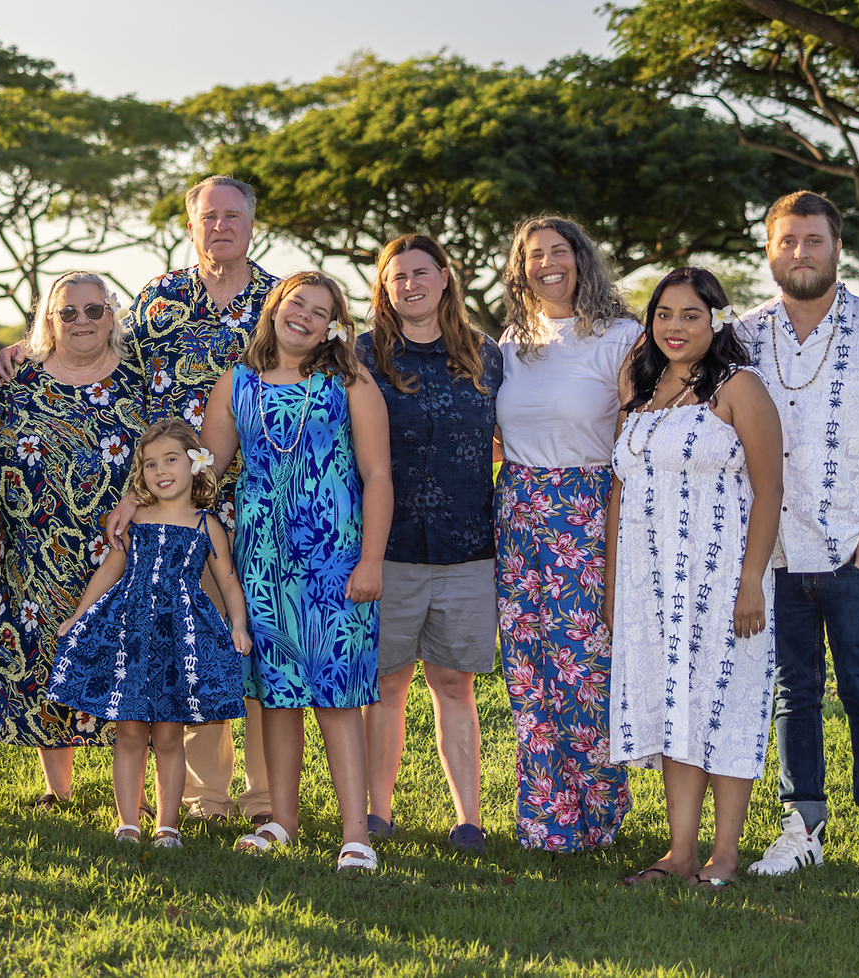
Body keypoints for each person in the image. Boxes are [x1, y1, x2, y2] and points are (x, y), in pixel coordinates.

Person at [40, 174, 278, 822]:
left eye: (233, 215)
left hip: (257, 500)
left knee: (242, 638)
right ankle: (206, 798)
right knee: (182, 641)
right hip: (170, 505)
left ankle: (261, 797)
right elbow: (117, 378)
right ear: (190, 223)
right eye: (209, 216)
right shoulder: (159, 297)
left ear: (253, 224)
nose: (221, 226)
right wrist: (25, 355)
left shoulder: (275, 301)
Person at [737, 189, 859, 893]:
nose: (800, 252)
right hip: (775, 550)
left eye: (813, 240)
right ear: (769, 249)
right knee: (793, 691)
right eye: (787, 240)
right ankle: (803, 828)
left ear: (836, 247)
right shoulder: (742, 335)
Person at [199, 271, 392, 871]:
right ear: (275, 307)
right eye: (295, 304)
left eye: (320, 311)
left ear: (334, 325)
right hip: (260, 563)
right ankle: (282, 821)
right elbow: (206, 469)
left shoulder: (350, 383)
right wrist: (144, 496)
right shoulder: (238, 383)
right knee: (276, 696)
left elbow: (378, 477)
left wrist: (371, 560)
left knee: (337, 695)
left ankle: (355, 834)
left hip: (335, 559)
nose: (304, 316)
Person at [606, 267, 784, 889]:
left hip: (722, 577)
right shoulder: (643, 391)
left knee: (725, 706)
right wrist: (613, 590)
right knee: (672, 711)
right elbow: (620, 492)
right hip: (650, 584)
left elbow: (769, 492)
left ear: (716, 321)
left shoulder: (740, 389)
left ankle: (725, 855)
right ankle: (679, 853)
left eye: (691, 315)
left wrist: (751, 580)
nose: (675, 327)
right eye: (664, 315)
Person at [494, 214, 645, 853]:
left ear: (582, 259)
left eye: (560, 251)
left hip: (589, 507)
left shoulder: (621, 336)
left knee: (587, 667)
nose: (547, 263)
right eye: (534, 255)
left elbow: (640, 430)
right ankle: (545, 819)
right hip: (518, 509)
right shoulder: (511, 340)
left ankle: (599, 814)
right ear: (519, 267)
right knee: (528, 671)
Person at [0, 272, 153, 805]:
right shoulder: (16, 377)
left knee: (126, 658)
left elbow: (163, 452)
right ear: (48, 319)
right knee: (41, 655)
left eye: (94, 310)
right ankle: (59, 789)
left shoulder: (137, 377)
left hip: (119, 544)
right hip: (32, 547)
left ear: (112, 316)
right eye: (68, 312)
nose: (82, 321)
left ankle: (136, 792)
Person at [356, 234, 503, 854]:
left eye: (421, 273)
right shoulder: (361, 356)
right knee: (387, 684)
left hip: (467, 546)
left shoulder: (486, 354)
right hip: (385, 549)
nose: (410, 284)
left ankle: (469, 818)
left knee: (453, 685)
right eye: (397, 277)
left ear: (446, 278)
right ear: (384, 289)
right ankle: (376, 814)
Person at [49, 420, 252, 847]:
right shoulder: (136, 518)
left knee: (168, 735)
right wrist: (80, 616)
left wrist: (237, 625)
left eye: (172, 460)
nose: (161, 471)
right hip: (131, 635)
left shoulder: (206, 525)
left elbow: (229, 581)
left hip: (180, 638)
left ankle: (167, 826)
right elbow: (110, 570)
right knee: (130, 732)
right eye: (150, 465)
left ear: (195, 465)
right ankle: (127, 822)